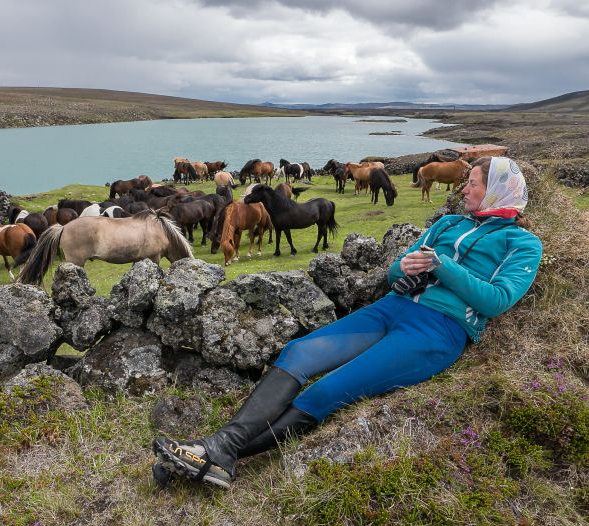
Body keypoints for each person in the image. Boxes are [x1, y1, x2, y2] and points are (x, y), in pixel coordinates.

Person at [152, 156, 542, 489]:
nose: (465, 189)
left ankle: (217, 454)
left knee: (333, 389)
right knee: (300, 351)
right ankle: (220, 447)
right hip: (394, 306)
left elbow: (498, 300)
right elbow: (396, 269)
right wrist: (401, 269)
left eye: (473, 184)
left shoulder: (522, 243)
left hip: (439, 330)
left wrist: (445, 266)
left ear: (497, 190)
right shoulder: (448, 224)